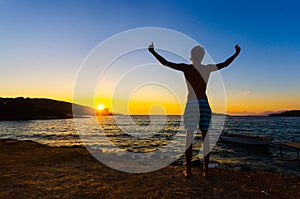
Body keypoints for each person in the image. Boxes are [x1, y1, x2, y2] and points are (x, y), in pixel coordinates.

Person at [148, 42, 241, 178]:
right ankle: (206, 171)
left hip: (192, 104)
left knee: (189, 138)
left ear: (191, 56)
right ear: (202, 56)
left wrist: (152, 52)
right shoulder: (207, 68)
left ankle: (189, 170)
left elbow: (165, 62)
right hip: (204, 104)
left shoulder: (187, 68)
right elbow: (225, 63)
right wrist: (236, 53)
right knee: (206, 137)